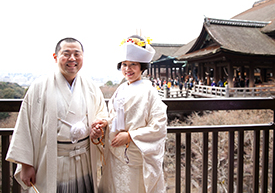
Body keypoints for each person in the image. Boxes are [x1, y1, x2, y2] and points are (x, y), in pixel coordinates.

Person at [6, 37, 108, 193]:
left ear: (82, 57)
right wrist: (26, 165)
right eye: (66, 53)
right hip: (52, 160)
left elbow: (102, 114)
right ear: (56, 57)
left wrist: (99, 128)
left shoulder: (91, 87)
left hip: (84, 158)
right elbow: (25, 126)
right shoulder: (39, 87)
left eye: (77, 54)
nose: (72, 59)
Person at [92, 35, 167, 193]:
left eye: (133, 64)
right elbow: (114, 117)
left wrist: (130, 136)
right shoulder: (121, 89)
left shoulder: (150, 91)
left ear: (142, 67)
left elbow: (158, 125)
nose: (128, 69)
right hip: (115, 152)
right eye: (124, 65)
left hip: (134, 154)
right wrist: (106, 123)